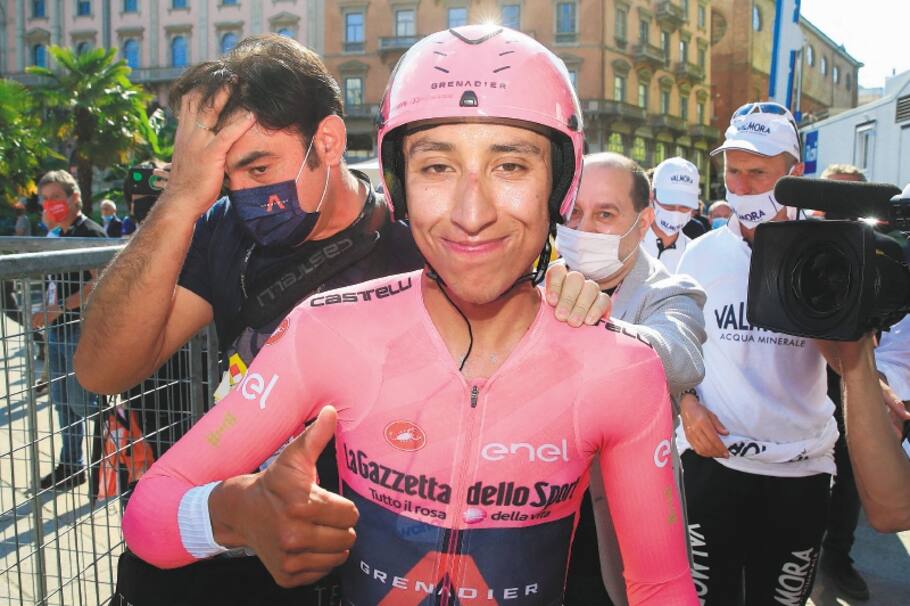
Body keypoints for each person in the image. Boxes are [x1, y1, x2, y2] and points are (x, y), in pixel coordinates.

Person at [120, 25, 697, 605]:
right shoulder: (327, 330)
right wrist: (236, 514)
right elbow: (148, 515)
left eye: (511, 167)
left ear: (559, 186)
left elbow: (661, 587)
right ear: (399, 185)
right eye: (437, 168)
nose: (472, 214)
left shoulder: (620, 368)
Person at [676, 102, 834, 605]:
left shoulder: (828, 250)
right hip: (714, 463)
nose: (741, 187)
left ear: (794, 172)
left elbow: (853, 354)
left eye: (758, 173)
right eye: (733, 171)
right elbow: (672, 344)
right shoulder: (700, 254)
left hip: (801, 468)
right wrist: (686, 404)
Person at [555, 152, 707, 605]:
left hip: (618, 530)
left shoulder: (669, 292)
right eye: (574, 213)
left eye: (605, 214)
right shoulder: (536, 279)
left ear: (642, 223)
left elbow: (681, 360)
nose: (584, 228)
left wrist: (595, 322)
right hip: (536, 521)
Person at [816, 162, 870, 599]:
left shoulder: (880, 252)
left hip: (853, 377)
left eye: (848, 202)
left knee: (849, 474)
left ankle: (836, 556)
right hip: (802, 380)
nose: (838, 213)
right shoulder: (792, 245)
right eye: (829, 202)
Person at [32, 170, 106, 490]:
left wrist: (59, 308)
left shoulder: (91, 232)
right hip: (57, 332)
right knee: (63, 404)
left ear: (74, 198)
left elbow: (100, 280)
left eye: (56, 198)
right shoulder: (55, 235)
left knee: (83, 404)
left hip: (80, 332)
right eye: (45, 200)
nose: (50, 205)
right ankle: (71, 465)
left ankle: (107, 456)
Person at [641, 157, 700, 273]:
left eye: (684, 206)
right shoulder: (628, 244)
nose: (676, 213)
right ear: (652, 197)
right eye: (669, 204)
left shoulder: (695, 255)